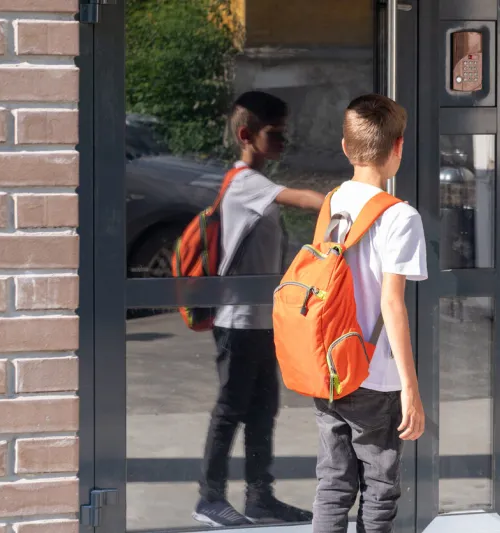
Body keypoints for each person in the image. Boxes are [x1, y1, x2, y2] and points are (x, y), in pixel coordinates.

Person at [194, 91, 325, 527]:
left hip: (260, 321)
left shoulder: (256, 186)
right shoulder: (246, 183)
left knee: (263, 408)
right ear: (247, 135)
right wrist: (350, 203)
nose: (284, 141)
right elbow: (304, 199)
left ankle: (259, 498)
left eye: (286, 133)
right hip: (238, 321)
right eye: (275, 133)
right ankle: (209, 499)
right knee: (231, 409)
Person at [312, 94, 427, 533]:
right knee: (379, 488)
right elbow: (392, 303)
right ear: (398, 148)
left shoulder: (333, 201)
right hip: (374, 376)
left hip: (328, 366)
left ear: (345, 147)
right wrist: (409, 389)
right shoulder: (399, 217)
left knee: (334, 483)